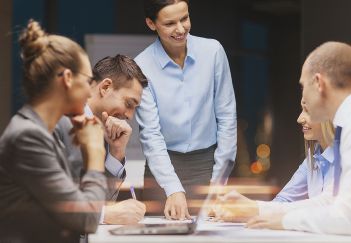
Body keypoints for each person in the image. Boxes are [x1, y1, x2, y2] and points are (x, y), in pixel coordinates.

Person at [246, 41, 351, 235]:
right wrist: (264, 212)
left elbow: (350, 218)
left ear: (318, 83)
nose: (303, 99)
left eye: (303, 86)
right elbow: (337, 203)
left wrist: (284, 220)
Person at [0, 20, 107, 243]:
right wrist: (96, 152)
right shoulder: (27, 137)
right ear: (67, 78)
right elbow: (86, 217)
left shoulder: (42, 133)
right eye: (88, 81)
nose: (90, 91)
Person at [135, 0, 237, 220]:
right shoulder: (142, 66)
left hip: (209, 165)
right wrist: (172, 188)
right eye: (170, 23)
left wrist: (218, 183)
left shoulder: (213, 52)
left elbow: (227, 117)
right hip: (162, 169)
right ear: (151, 24)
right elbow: (150, 134)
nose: (181, 29)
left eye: (185, 18)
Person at [55, 55, 148, 225]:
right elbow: (44, 198)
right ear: (105, 87)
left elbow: (101, 201)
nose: (129, 115)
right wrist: (104, 215)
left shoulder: (103, 131)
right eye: (129, 103)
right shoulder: (58, 121)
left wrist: (116, 152)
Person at [212, 105, 336, 222]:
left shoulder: (346, 154)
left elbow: (328, 204)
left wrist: (255, 208)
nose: (299, 119)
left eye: (307, 110)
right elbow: (284, 200)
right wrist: (244, 213)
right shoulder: (313, 156)